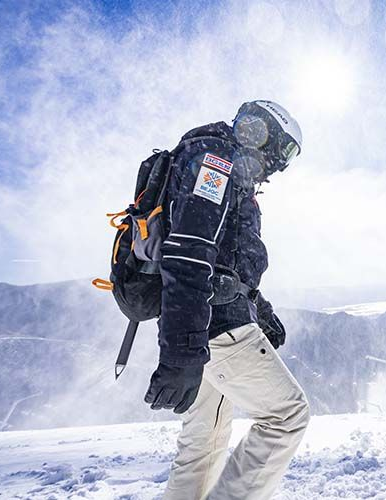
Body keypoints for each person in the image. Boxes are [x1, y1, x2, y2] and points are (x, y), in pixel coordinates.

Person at [142, 100, 309, 500]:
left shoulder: (219, 166)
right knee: (287, 417)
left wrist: (258, 308)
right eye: (283, 152)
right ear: (261, 133)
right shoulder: (214, 164)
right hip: (213, 326)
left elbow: (225, 258)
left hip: (201, 324)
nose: (280, 166)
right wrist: (182, 352)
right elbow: (189, 251)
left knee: (206, 437)